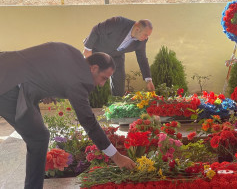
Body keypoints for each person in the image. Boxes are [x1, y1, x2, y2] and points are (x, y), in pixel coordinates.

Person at [0, 42, 136, 189]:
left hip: (5, 65)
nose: (102, 84)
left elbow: (46, 58)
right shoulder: (80, 80)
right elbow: (88, 122)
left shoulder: (73, 54)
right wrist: (116, 157)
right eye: (104, 78)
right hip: (8, 85)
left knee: (39, 136)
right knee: (39, 138)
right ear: (94, 68)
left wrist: (45, 88)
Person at [83, 16, 155, 96]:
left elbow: (142, 58)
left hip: (116, 55)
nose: (146, 38)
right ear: (137, 29)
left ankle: (117, 103)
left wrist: (148, 80)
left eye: (148, 36)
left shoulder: (141, 41)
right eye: (145, 35)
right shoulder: (118, 22)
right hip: (97, 49)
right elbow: (97, 29)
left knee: (119, 80)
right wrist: (88, 49)